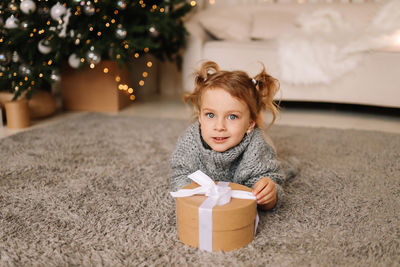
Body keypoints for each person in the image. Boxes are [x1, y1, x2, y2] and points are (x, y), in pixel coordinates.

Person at [170, 61, 284, 210]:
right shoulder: (190, 141)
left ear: (250, 123)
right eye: (210, 115)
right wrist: (190, 191)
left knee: (269, 162)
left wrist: (268, 195)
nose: (219, 127)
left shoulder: (257, 147)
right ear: (200, 117)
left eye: (232, 117)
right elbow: (179, 175)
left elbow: (270, 182)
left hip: (253, 158)